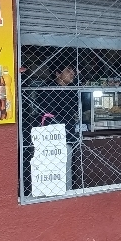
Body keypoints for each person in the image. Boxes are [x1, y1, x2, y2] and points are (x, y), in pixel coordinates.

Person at [36, 60, 80, 190]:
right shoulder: (47, 89)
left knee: (68, 169)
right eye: (68, 70)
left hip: (69, 135)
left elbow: (75, 108)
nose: (72, 73)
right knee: (53, 171)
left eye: (73, 71)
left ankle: (68, 192)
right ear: (57, 73)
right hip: (52, 137)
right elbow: (49, 110)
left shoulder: (72, 90)